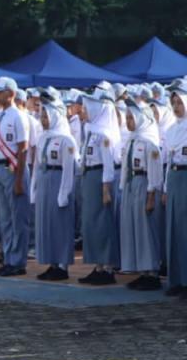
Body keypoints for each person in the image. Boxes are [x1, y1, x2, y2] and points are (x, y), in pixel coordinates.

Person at [77, 88, 121, 285]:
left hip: (100, 178)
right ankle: (98, 266)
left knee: (102, 223)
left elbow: (108, 164)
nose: (83, 111)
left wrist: (105, 188)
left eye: (86, 108)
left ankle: (108, 267)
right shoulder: (91, 131)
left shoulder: (103, 134)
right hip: (89, 176)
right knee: (91, 224)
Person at [0, 77, 30, 277]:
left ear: (10, 93)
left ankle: (18, 261)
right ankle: (8, 257)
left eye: (0, 91)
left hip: (14, 170)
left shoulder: (18, 116)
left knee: (17, 218)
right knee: (4, 218)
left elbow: (23, 149)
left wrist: (20, 180)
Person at [119, 100, 164, 291]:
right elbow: (125, 167)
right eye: (127, 117)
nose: (128, 121)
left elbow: (155, 171)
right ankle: (141, 270)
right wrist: (122, 187)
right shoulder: (131, 140)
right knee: (134, 228)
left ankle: (152, 271)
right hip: (131, 184)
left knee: (146, 229)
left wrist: (151, 195)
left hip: (144, 184)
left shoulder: (149, 143)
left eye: (132, 117)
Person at [32, 98, 78, 281]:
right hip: (45, 179)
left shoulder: (67, 140)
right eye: (42, 115)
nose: (42, 119)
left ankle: (62, 265)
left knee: (60, 223)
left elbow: (69, 169)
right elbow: (36, 164)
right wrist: (34, 188)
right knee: (47, 223)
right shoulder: (43, 137)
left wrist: (64, 193)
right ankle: (51, 262)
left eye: (46, 115)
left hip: (58, 179)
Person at [164, 84, 187, 296]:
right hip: (173, 177)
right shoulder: (170, 130)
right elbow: (168, 159)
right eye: (173, 103)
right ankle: (177, 279)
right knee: (173, 229)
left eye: (180, 102)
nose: (176, 106)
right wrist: (164, 187)